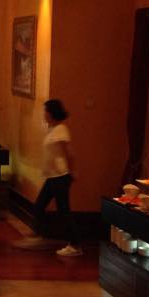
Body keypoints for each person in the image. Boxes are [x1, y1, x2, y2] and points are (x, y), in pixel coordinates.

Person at [32, 99, 82, 257]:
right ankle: (42, 236)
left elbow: (70, 153)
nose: (44, 114)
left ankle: (75, 245)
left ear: (51, 113)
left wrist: (73, 171)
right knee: (39, 206)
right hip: (52, 177)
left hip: (60, 177)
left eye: (45, 111)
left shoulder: (61, 129)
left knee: (64, 211)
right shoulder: (52, 129)